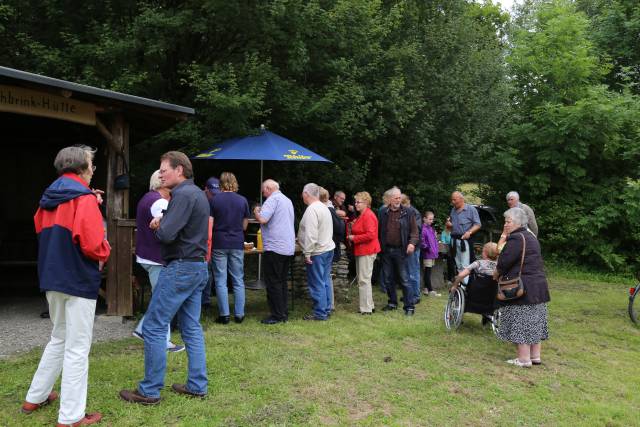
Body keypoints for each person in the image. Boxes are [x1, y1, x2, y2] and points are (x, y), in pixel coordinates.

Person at [22, 145, 111, 427]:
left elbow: (42, 231)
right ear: (81, 168)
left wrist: (89, 202)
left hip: (52, 276)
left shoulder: (47, 198)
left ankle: (35, 397)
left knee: (59, 338)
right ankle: (71, 417)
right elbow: (94, 245)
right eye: (92, 165)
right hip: (77, 278)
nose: (93, 170)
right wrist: (105, 250)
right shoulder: (83, 198)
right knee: (76, 348)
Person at [120, 151, 210, 404]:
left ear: (179, 170)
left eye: (164, 170)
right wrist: (166, 219)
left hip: (180, 267)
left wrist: (160, 225)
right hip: (197, 267)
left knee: (154, 326)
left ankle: (149, 390)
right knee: (191, 327)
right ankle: (197, 385)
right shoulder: (198, 194)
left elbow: (168, 235)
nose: (160, 174)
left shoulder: (181, 195)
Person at [132, 170, 184, 352]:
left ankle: (143, 329)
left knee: (160, 297)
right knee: (163, 299)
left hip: (147, 255)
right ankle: (162, 340)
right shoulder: (160, 202)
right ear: (162, 183)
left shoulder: (147, 197)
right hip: (156, 257)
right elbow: (169, 231)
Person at [494, 207, 550, 368]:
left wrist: (496, 274)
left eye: (508, 221)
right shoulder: (531, 236)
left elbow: (504, 262)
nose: (505, 224)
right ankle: (535, 356)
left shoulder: (516, 238)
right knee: (535, 321)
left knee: (521, 320)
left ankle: (524, 359)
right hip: (538, 286)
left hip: (523, 287)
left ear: (518, 222)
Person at [253, 179, 295, 325]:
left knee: (273, 282)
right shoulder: (287, 200)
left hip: (274, 247)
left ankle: (277, 315)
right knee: (282, 281)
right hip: (287, 247)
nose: (263, 194)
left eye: (263, 191)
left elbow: (263, 219)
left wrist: (256, 211)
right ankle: (283, 311)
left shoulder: (272, 200)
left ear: (269, 188)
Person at [210, 172, 250, 324]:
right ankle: (239, 314)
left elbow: (210, 223)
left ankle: (224, 315)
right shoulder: (242, 200)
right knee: (238, 279)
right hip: (237, 241)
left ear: (220, 184)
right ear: (235, 182)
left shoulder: (214, 200)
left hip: (219, 242)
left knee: (220, 279)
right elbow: (245, 225)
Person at [378, 187, 419, 315]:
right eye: (396, 198)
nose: (398, 200)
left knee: (404, 279)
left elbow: (414, 231)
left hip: (401, 251)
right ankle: (392, 303)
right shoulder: (383, 212)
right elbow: (380, 231)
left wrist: (412, 243)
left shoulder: (408, 212)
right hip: (386, 250)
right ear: (390, 199)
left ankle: (409, 307)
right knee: (388, 279)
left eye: (399, 197)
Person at [297, 183, 335, 321]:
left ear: (306, 194)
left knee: (317, 283)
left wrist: (307, 253)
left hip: (317, 252)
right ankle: (326, 308)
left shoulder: (312, 209)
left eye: (303, 193)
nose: (302, 196)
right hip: (327, 248)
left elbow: (311, 234)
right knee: (324, 280)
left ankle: (320, 313)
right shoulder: (324, 207)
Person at [347, 191, 380, 314]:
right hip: (363, 250)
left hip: (367, 250)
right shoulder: (362, 215)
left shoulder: (368, 215)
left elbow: (371, 235)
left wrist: (354, 238)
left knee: (364, 280)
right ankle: (369, 306)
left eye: (358, 202)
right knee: (364, 279)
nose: (356, 204)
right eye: (355, 202)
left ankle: (366, 309)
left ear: (366, 202)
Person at [320, 187, 345, 311]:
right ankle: (328, 305)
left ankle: (329, 305)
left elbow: (340, 229)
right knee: (326, 276)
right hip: (328, 247)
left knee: (326, 277)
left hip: (327, 247)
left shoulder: (328, 209)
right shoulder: (328, 209)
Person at [449, 191, 481, 284]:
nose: (453, 202)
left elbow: (478, 224)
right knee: (458, 264)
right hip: (454, 240)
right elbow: (451, 226)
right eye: (452, 200)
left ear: (461, 199)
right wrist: (448, 225)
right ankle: (461, 284)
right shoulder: (453, 210)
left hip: (465, 240)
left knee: (465, 264)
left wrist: (469, 232)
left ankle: (466, 286)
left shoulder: (471, 209)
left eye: (454, 199)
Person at [201, 177, 221, 309]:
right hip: (201, 241)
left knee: (210, 271)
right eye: (211, 193)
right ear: (205, 189)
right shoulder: (200, 201)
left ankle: (206, 300)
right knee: (204, 270)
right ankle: (200, 300)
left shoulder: (216, 201)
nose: (213, 196)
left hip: (214, 241)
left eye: (216, 193)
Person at [401, 194, 422, 303]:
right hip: (404, 246)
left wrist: (411, 243)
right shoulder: (403, 212)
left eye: (403, 203)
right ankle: (408, 294)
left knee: (413, 271)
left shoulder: (414, 213)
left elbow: (416, 230)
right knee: (406, 272)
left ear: (408, 201)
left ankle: (415, 296)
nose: (402, 205)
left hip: (413, 246)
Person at [421, 211, 441, 297]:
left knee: (429, 271)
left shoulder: (431, 229)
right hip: (427, 254)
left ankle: (426, 289)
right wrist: (427, 248)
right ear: (424, 219)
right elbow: (422, 241)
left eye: (432, 219)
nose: (431, 221)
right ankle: (430, 290)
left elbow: (434, 241)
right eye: (429, 219)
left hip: (432, 253)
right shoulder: (423, 229)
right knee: (427, 272)